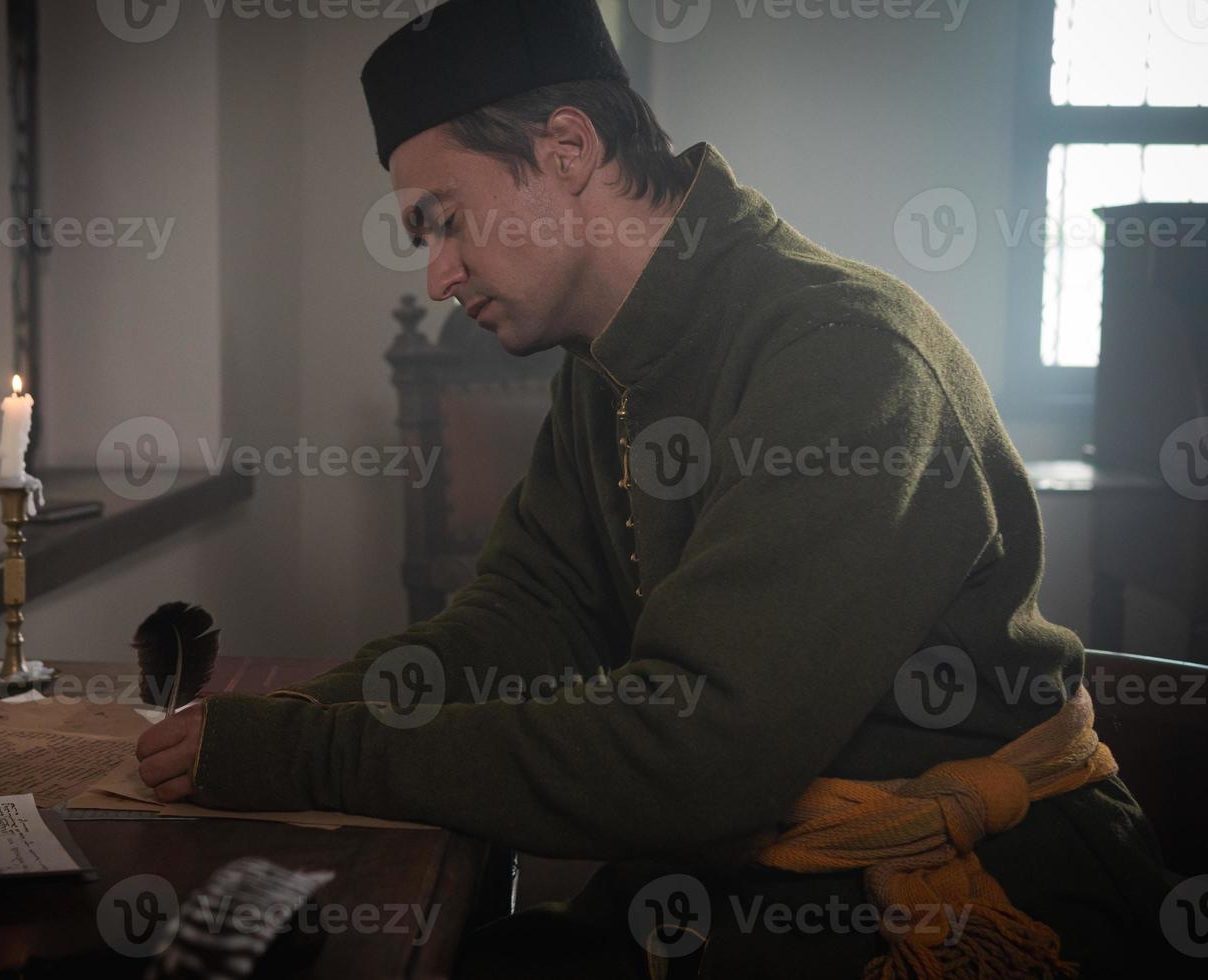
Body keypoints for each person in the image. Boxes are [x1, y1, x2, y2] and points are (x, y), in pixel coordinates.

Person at [137, 1, 1181, 975]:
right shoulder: (609, 366)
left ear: (568, 150)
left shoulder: (845, 355)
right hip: (762, 865)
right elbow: (520, 620)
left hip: (955, 895)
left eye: (443, 218)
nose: (438, 275)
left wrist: (304, 750)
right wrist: (278, 718)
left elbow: (693, 755)